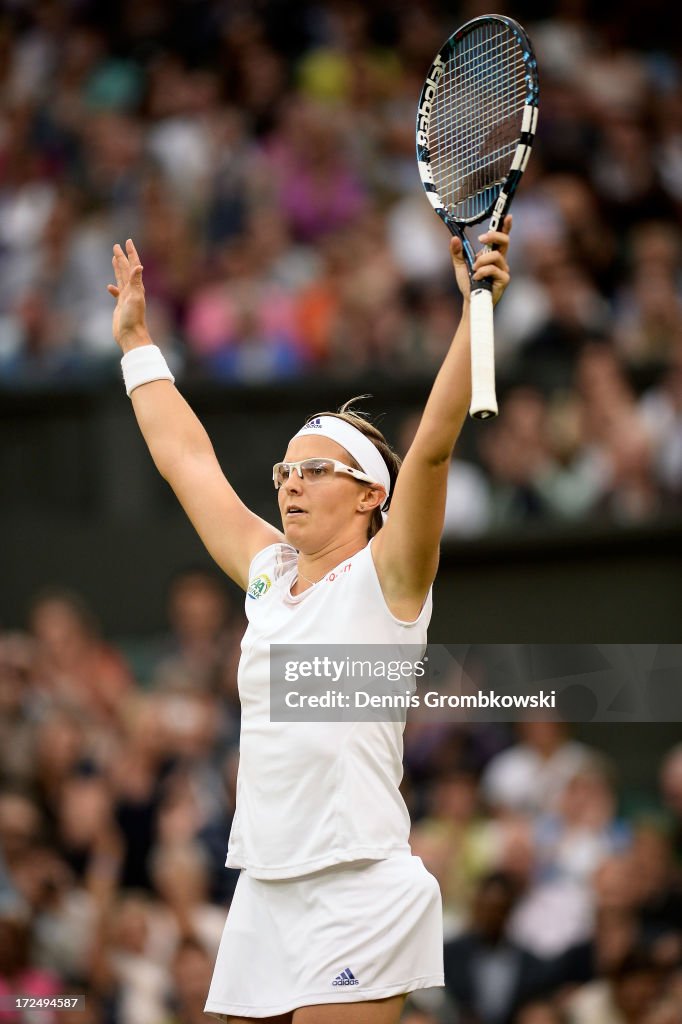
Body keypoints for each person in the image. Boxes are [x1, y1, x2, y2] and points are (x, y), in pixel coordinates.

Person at [106, 219, 512, 1023]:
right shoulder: (267, 574)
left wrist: (477, 310)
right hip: (264, 887)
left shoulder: (390, 577)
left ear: (371, 496)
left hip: (360, 887)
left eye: (315, 469)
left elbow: (430, 449)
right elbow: (186, 459)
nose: (291, 482)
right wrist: (137, 346)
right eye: (285, 469)